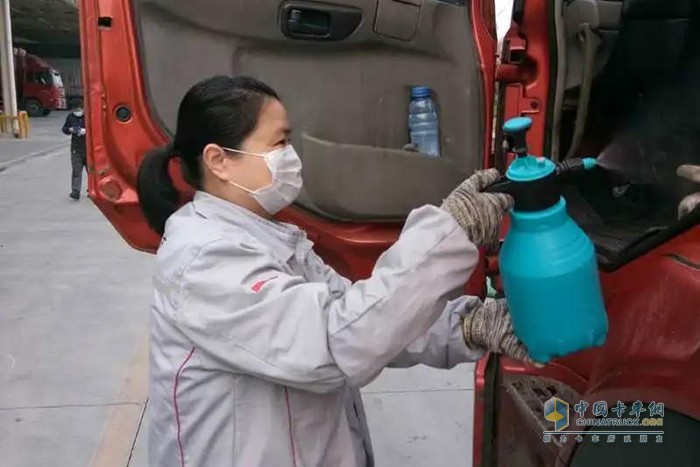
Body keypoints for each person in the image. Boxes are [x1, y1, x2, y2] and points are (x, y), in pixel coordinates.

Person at [136, 75, 534, 467]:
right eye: (280, 143)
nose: (291, 157)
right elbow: (335, 346)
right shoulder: (204, 258)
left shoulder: (270, 239)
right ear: (219, 160)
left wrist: (465, 326)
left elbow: (358, 312)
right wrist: (448, 233)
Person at [62, 99, 87, 200]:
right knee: (76, 170)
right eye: (75, 109)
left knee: (91, 171)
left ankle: (93, 190)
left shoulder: (88, 116)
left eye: (79, 109)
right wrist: (70, 129)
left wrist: (86, 131)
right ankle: (75, 191)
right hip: (76, 148)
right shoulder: (71, 117)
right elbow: (64, 129)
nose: (77, 111)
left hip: (88, 148)